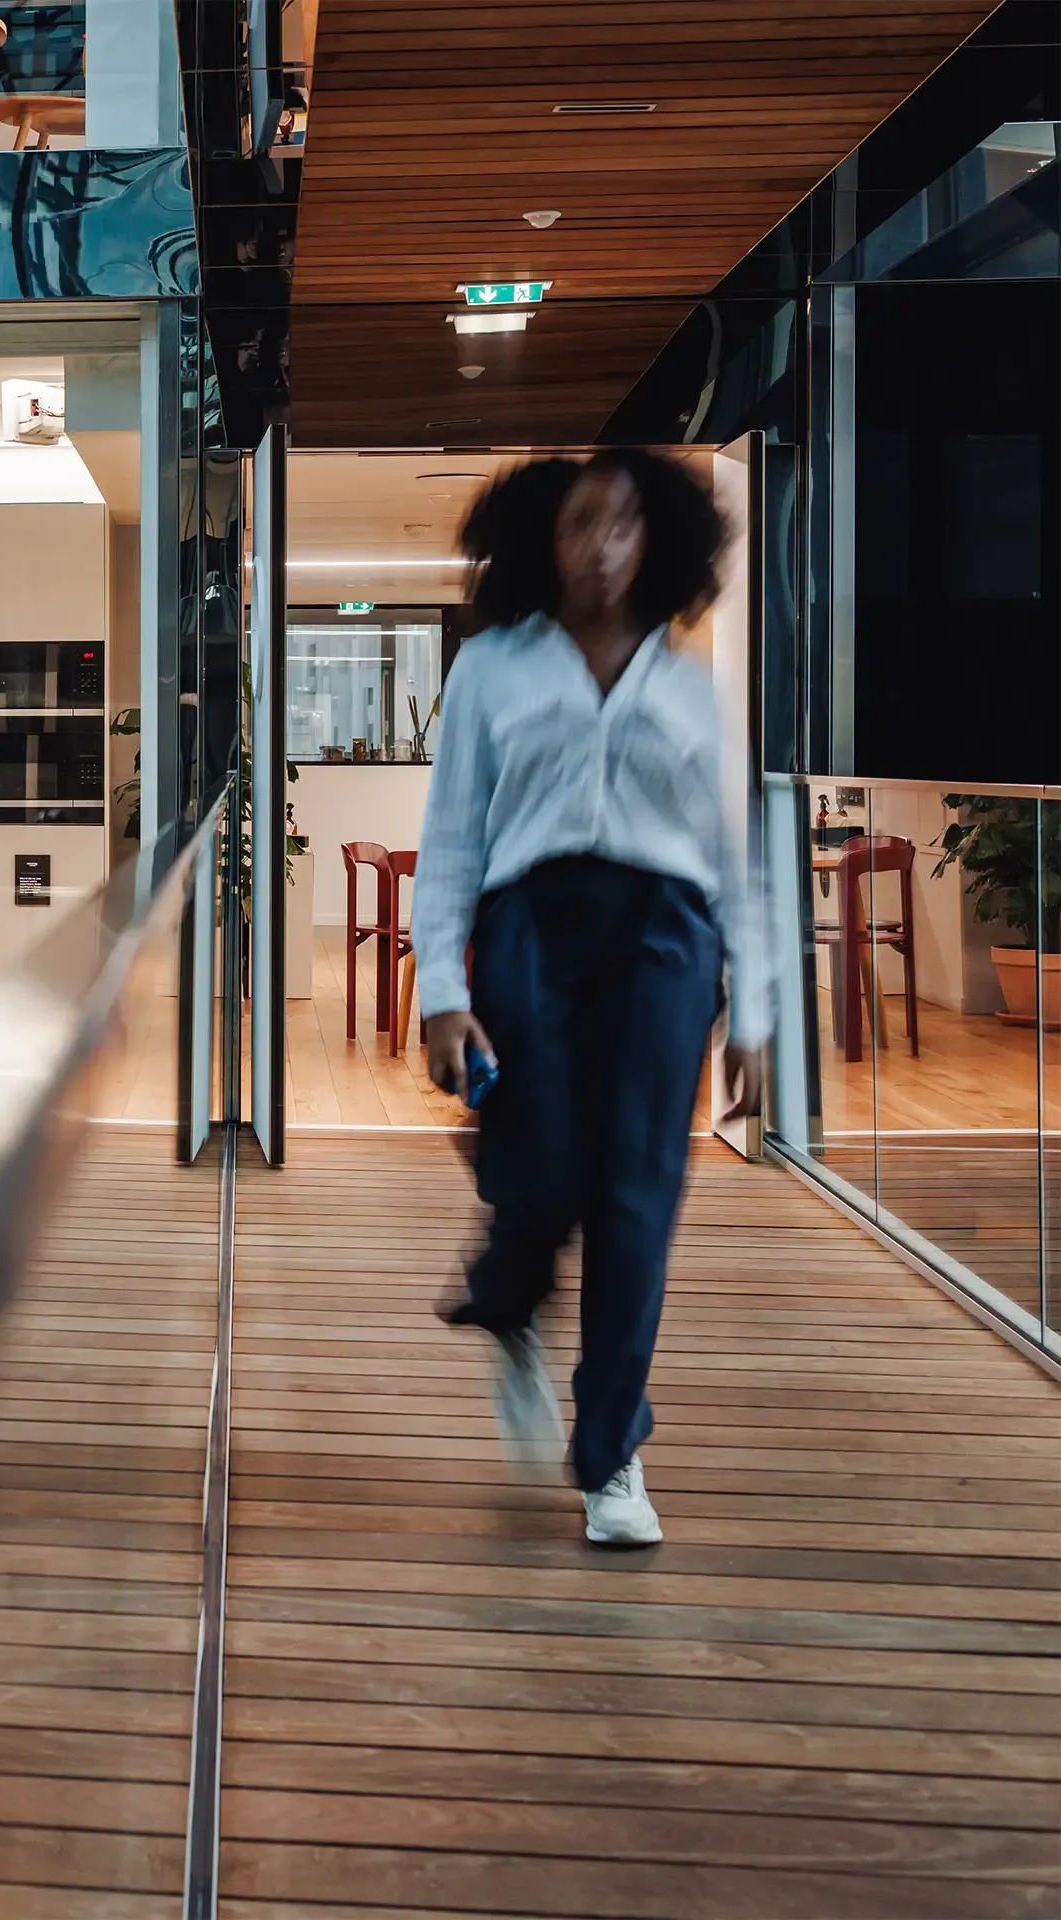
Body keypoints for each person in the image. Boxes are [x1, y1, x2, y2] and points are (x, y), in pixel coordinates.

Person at [412, 450, 766, 1549]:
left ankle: (612, 1450)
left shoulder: (688, 682)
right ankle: (509, 1300)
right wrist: (438, 987)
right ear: (544, 539)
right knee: (541, 1159)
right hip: (531, 928)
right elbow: (453, 838)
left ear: (655, 538)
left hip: (666, 936)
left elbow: (732, 853)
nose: (603, 546)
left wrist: (753, 1007)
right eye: (580, 524)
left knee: (637, 1194)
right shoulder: (492, 671)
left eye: (622, 525)